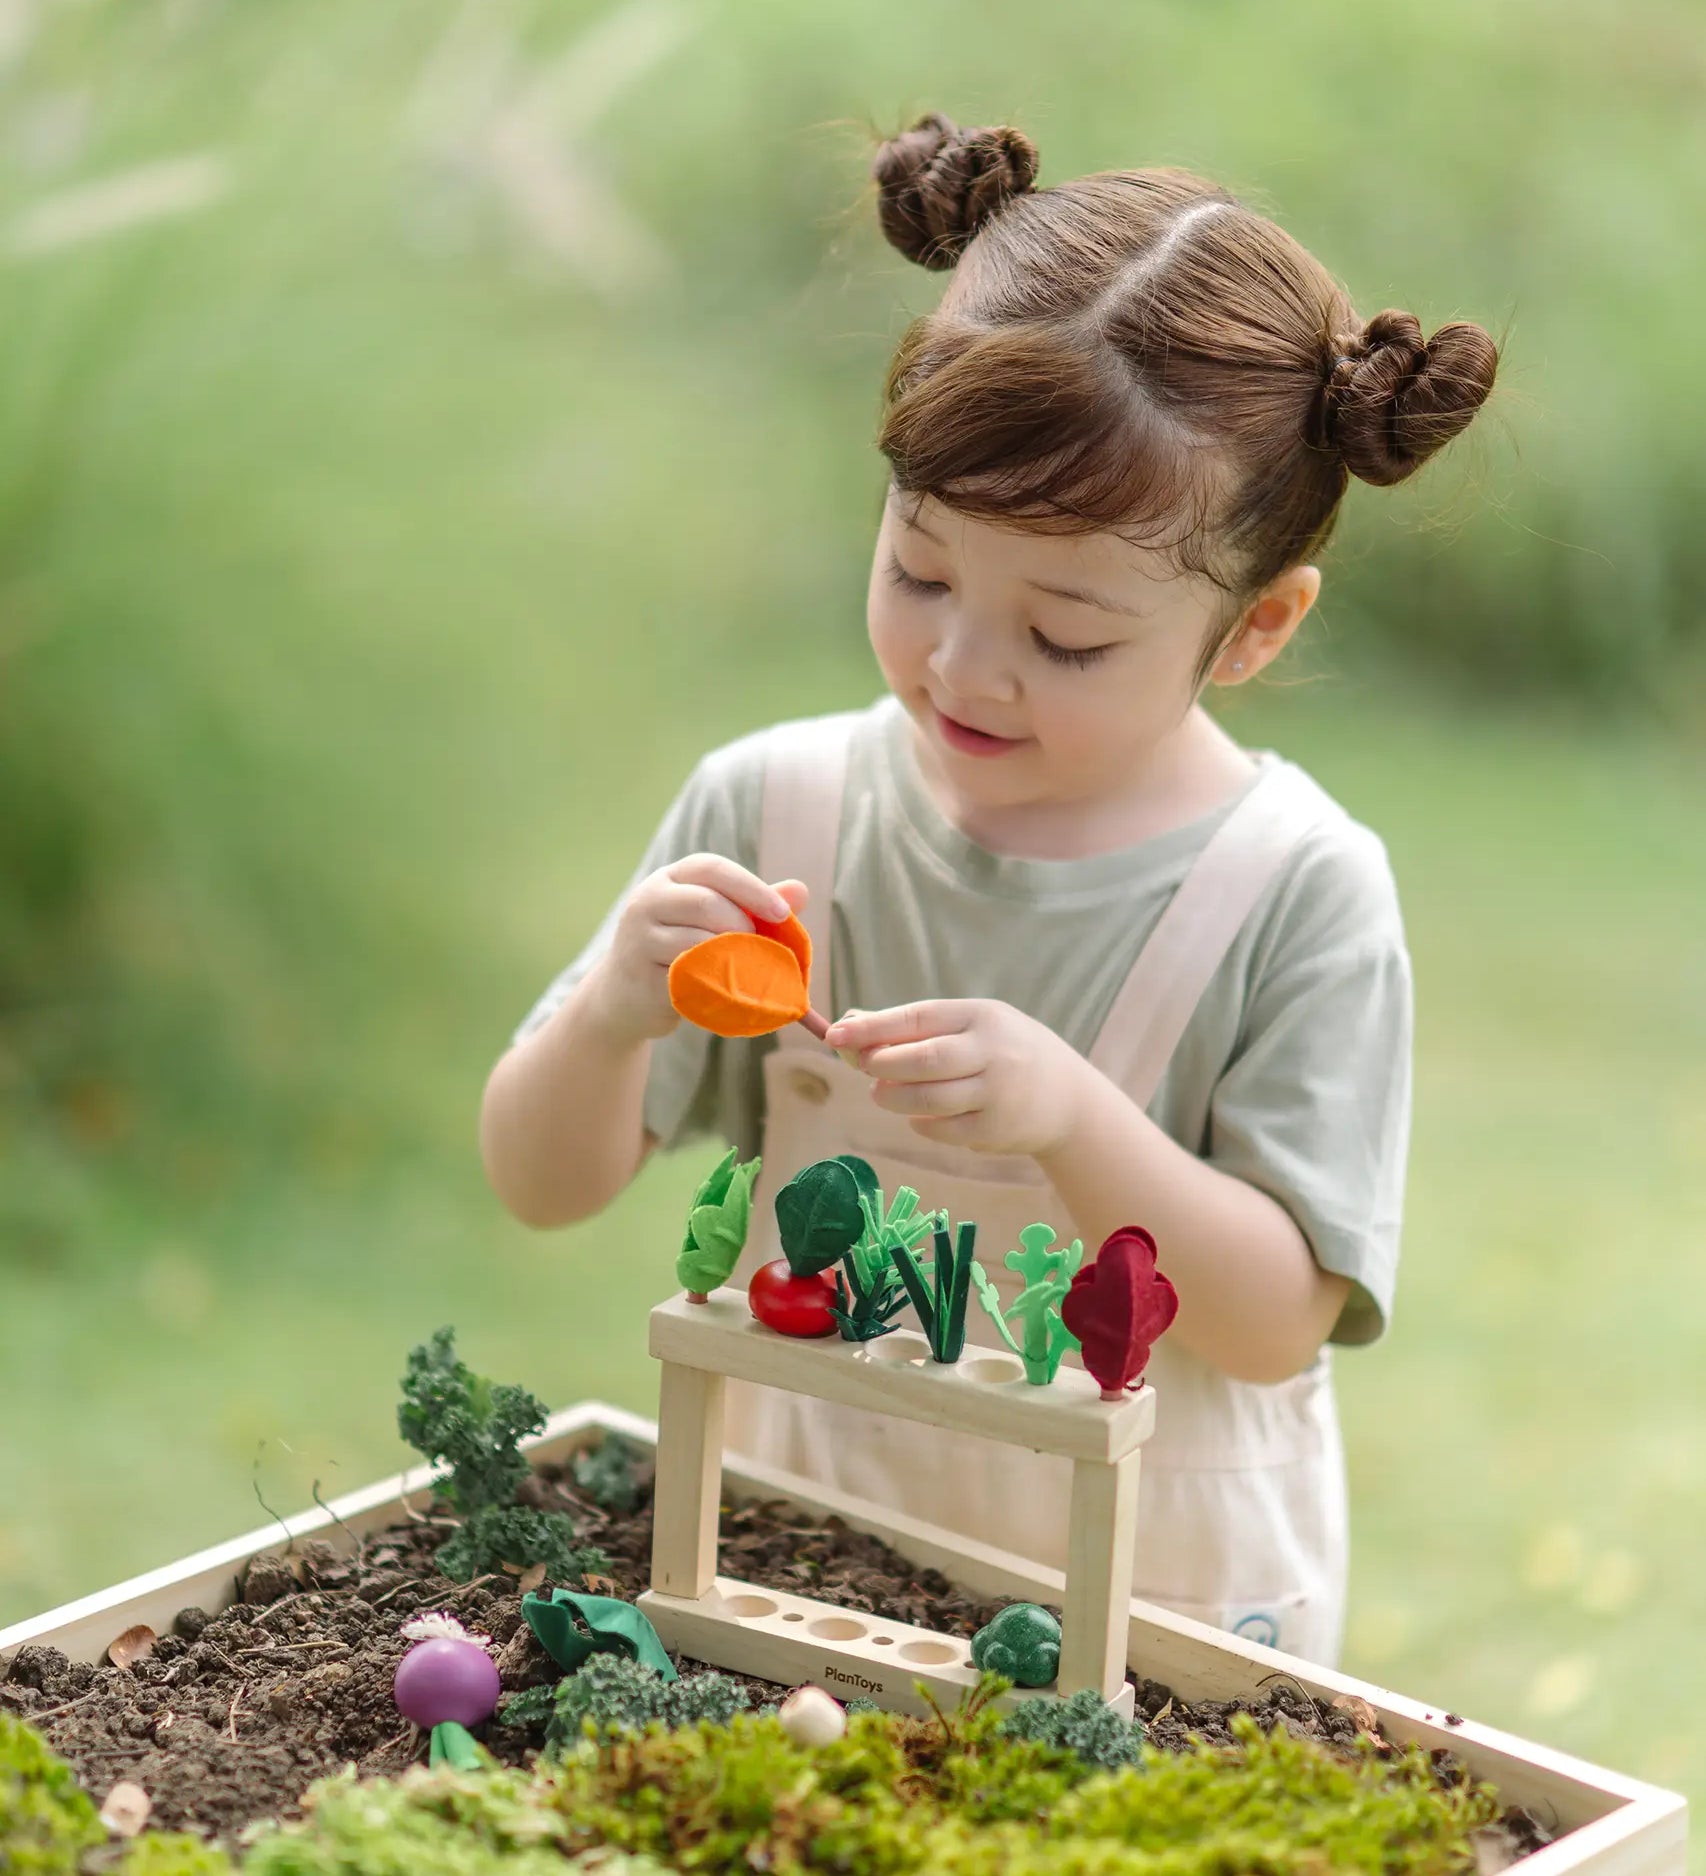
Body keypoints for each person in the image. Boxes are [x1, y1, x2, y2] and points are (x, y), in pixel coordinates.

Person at [480, 112, 1499, 1667]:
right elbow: (541, 1183)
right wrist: (619, 1005)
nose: (962, 665)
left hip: (1149, 1618)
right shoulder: (777, 808)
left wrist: (1076, 1119)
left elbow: (1273, 1318)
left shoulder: (1293, 891)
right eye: (922, 567)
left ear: (1252, 631)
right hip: (797, 1565)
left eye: (1067, 637)